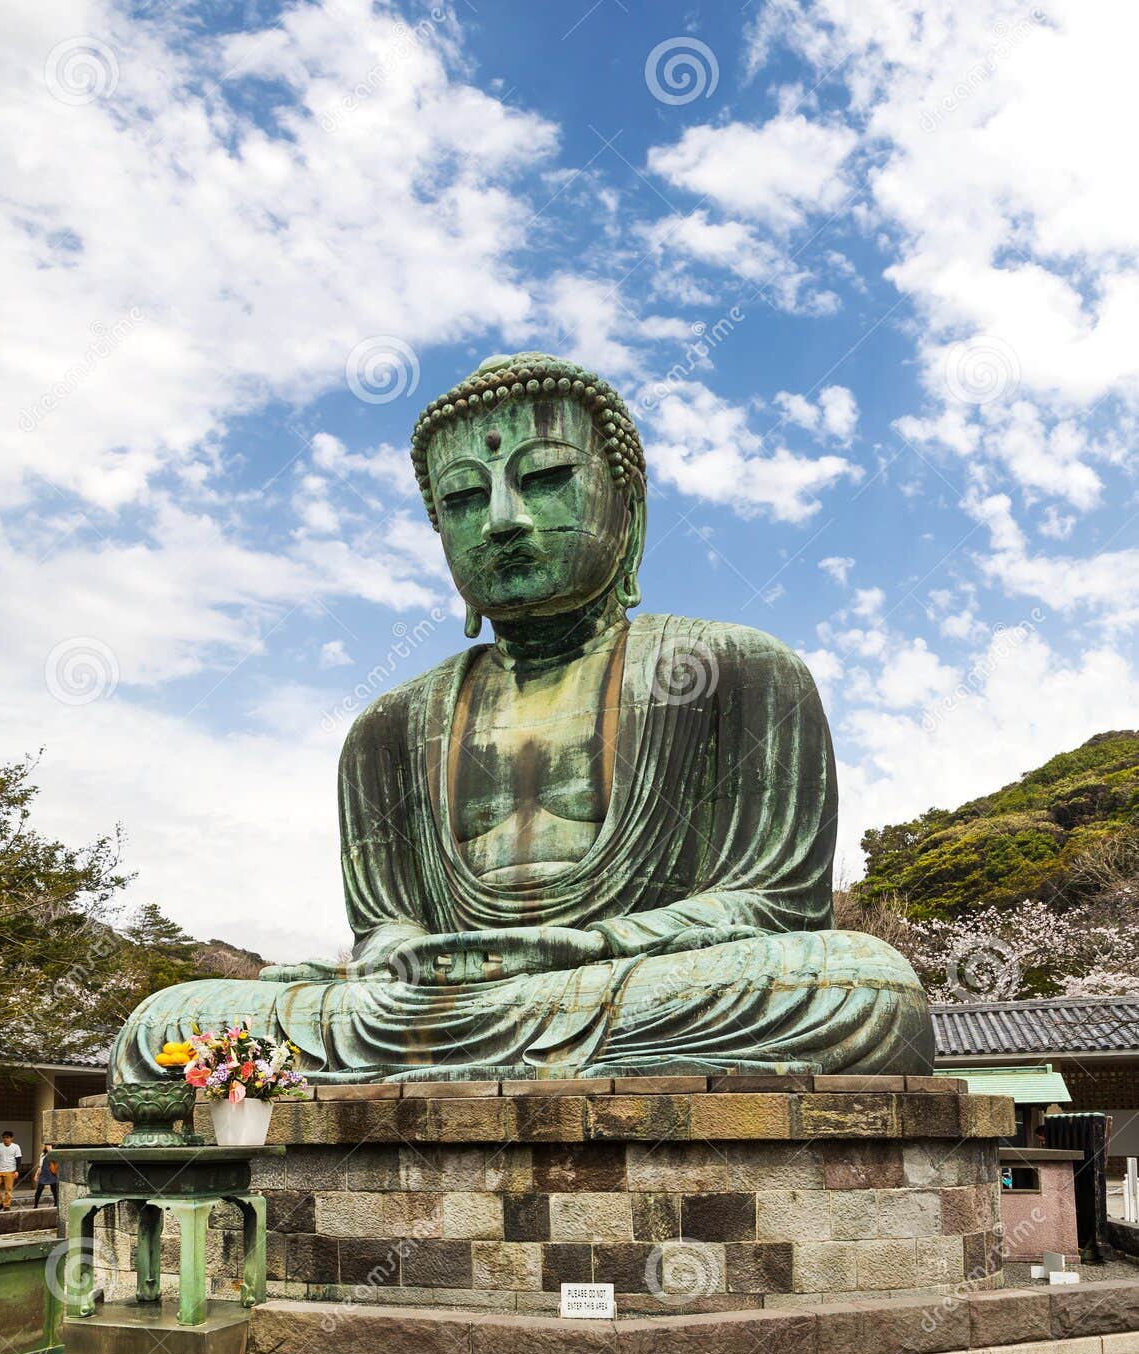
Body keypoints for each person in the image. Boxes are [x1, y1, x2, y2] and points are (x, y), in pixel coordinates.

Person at [108, 351, 932, 1084]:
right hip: (436, 1004)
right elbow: (386, 930)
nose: (502, 519)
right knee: (170, 1025)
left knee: (861, 989)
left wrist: (596, 945)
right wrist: (404, 957)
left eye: (543, 479)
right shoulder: (389, 727)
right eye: (465, 497)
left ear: (628, 508)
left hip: (640, 983)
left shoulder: (736, 668)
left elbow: (773, 906)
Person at [0, 1130, 22, 1211]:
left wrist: (17, 1171)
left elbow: (18, 1160)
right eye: (4, 1138)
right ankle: (0, 1203)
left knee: (8, 1190)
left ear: (12, 1138)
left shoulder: (16, 1147)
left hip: (10, 1170)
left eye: (7, 1138)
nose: (5, 1139)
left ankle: (6, 1205)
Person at [32, 1143, 59, 1208]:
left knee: (54, 1190)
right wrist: (36, 1175)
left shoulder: (54, 1153)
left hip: (52, 1173)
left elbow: (56, 1163)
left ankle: (56, 1203)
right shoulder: (42, 1154)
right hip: (44, 1173)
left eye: (50, 1145)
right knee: (39, 1190)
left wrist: (51, 1152)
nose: (48, 1146)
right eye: (47, 1145)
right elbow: (40, 1166)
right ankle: (35, 1205)